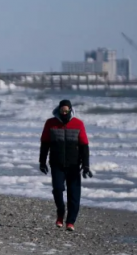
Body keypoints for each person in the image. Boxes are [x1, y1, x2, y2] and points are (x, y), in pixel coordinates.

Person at [39, 99, 92, 231]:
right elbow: (45, 143)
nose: (64, 112)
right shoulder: (50, 123)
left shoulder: (78, 124)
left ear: (70, 110)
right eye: (62, 110)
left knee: (74, 195)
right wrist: (42, 161)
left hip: (74, 164)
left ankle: (70, 222)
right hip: (56, 163)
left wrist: (86, 166)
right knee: (57, 189)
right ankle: (60, 211)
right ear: (59, 109)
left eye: (66, 110)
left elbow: (84, 146)